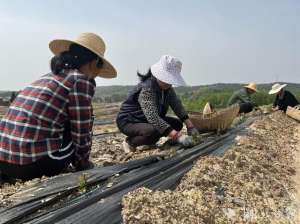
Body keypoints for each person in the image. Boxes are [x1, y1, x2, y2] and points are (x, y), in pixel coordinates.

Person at [0, 33, 117, 180]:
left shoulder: (48, 77)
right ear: (94, 63)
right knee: (83, 119)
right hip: (29, 165)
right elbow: (81, 131)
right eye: (100, 67)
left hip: (4, 161)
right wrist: (83, 163)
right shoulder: (81, 81)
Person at [116, 55, 199, 153]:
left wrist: (190, 126)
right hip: (129, 120)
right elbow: (152, 117)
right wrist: (178, 136)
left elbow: (177, 105)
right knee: (152, 132)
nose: (168, 83)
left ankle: (150, 140)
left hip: (145, 120)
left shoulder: (168, 89)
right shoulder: (147, 88)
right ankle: (130, 142)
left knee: (177, 124)